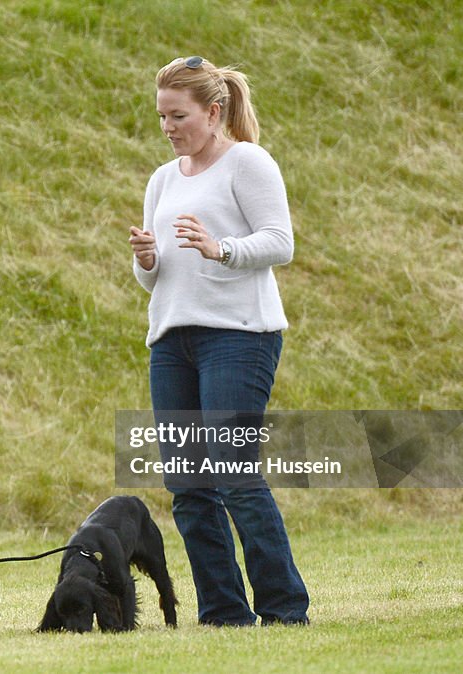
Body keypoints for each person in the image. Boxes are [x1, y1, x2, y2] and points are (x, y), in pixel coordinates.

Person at [128, 56, 309, 626]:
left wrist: (222, 248)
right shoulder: (162, 178)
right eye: (161, 117)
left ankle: (284, 609)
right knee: (188, 485)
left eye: (177, 115)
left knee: (233, 472)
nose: (168, 127)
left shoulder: (247, 163)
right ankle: (223, 613)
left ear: (213, 111)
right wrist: (148, 259)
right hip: (172, 342)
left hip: (239, 337)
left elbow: (280, 243)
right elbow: (154, 279)